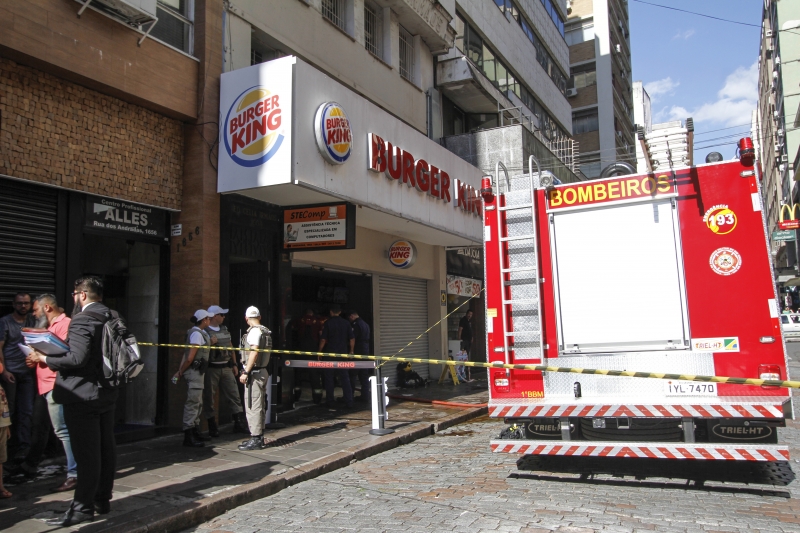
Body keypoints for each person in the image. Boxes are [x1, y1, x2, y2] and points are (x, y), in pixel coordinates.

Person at [27, 276, 118, 526]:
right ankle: (102, 499)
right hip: (106, 392)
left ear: (83, 294)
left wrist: (44, 359)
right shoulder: (112, 315)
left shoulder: (83, 319)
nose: (74, 299)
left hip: (82, 394)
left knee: (86, 454)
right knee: (105, 449)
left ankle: (82, 508)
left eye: (75, 294)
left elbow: (76, 359)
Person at [20, 294, 77, 492]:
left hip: (55, 385)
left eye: (35, 310)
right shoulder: (49, 328)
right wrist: (33, 358)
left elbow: (63, 355)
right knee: (41, 426)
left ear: (47, 308)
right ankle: (31, 465)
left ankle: (74, 474)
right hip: (44, 385)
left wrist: (40, 356)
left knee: (62, 430)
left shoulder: (65, 324)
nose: (33, 314)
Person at [0, 292, 36, 461]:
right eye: (20, 303)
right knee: (10, 410)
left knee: (26, 410)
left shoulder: (32, 320)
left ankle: (24, 447)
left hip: (28, 372)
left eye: (26, 303)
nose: (23, 306)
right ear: (14, 304)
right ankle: (9, 447)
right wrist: (4, 371)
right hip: (11, 372)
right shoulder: (5, 322)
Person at [203, 305, 248, 436]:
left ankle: (238, 423)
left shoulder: (224, 329)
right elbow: (199, 350)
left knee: (234, 395)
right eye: (221, 315)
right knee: (209, 398)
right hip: (212, 368)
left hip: (226, 367)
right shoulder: (205, 332)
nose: (224, 317)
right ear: (215, 316)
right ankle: (212, 426)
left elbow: (231, 346)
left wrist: (234, 364)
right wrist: (209, 344)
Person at [174, 310, 212, 448]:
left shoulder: (199, 333)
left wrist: (180, 371)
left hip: (197, 372)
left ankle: (195, 431)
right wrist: (181, 371)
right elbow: (190, 357)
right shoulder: (196, 334)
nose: (209, 321)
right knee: (193, 403)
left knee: (198, 403)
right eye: (208, 318)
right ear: (204, 320)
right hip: (194, 372)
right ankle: (188, 435)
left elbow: (186, 355)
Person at [238, 306, 272, 451]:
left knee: (253, 405)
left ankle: (256, 438)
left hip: (255, 373)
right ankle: (258, 436)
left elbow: (254, 351)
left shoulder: (254, 332)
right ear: (260, 316)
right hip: (263, 370)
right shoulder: (265, 331)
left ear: (246, 319)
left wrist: (246, 371)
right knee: (260, 405)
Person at [319, 305, 354, 408]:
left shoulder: (328, 323)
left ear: (331, 312)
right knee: (345, 377)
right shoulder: (346, 323)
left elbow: (323, 339)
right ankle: (349, 401)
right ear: (339, 312)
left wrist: (320, 352)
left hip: (330, 354)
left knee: (329, 378)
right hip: (343, 353)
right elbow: (352, 338)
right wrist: (351, 351)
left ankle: (330, 401)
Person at [348, 311, 371, 402]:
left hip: (358, 350)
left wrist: (351, 351)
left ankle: (350, 395)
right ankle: (365, 396)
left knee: (353, 374)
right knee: (364, 374)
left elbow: (353, 338)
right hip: (365, 350)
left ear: (352, 316)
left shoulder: (356, 324)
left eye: (350, 317)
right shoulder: (365, 324)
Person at [0, 379, 11, 499]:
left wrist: (7, 424)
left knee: (1, 458)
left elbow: (4, 403)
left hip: (2, 424)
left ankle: (0, 486)